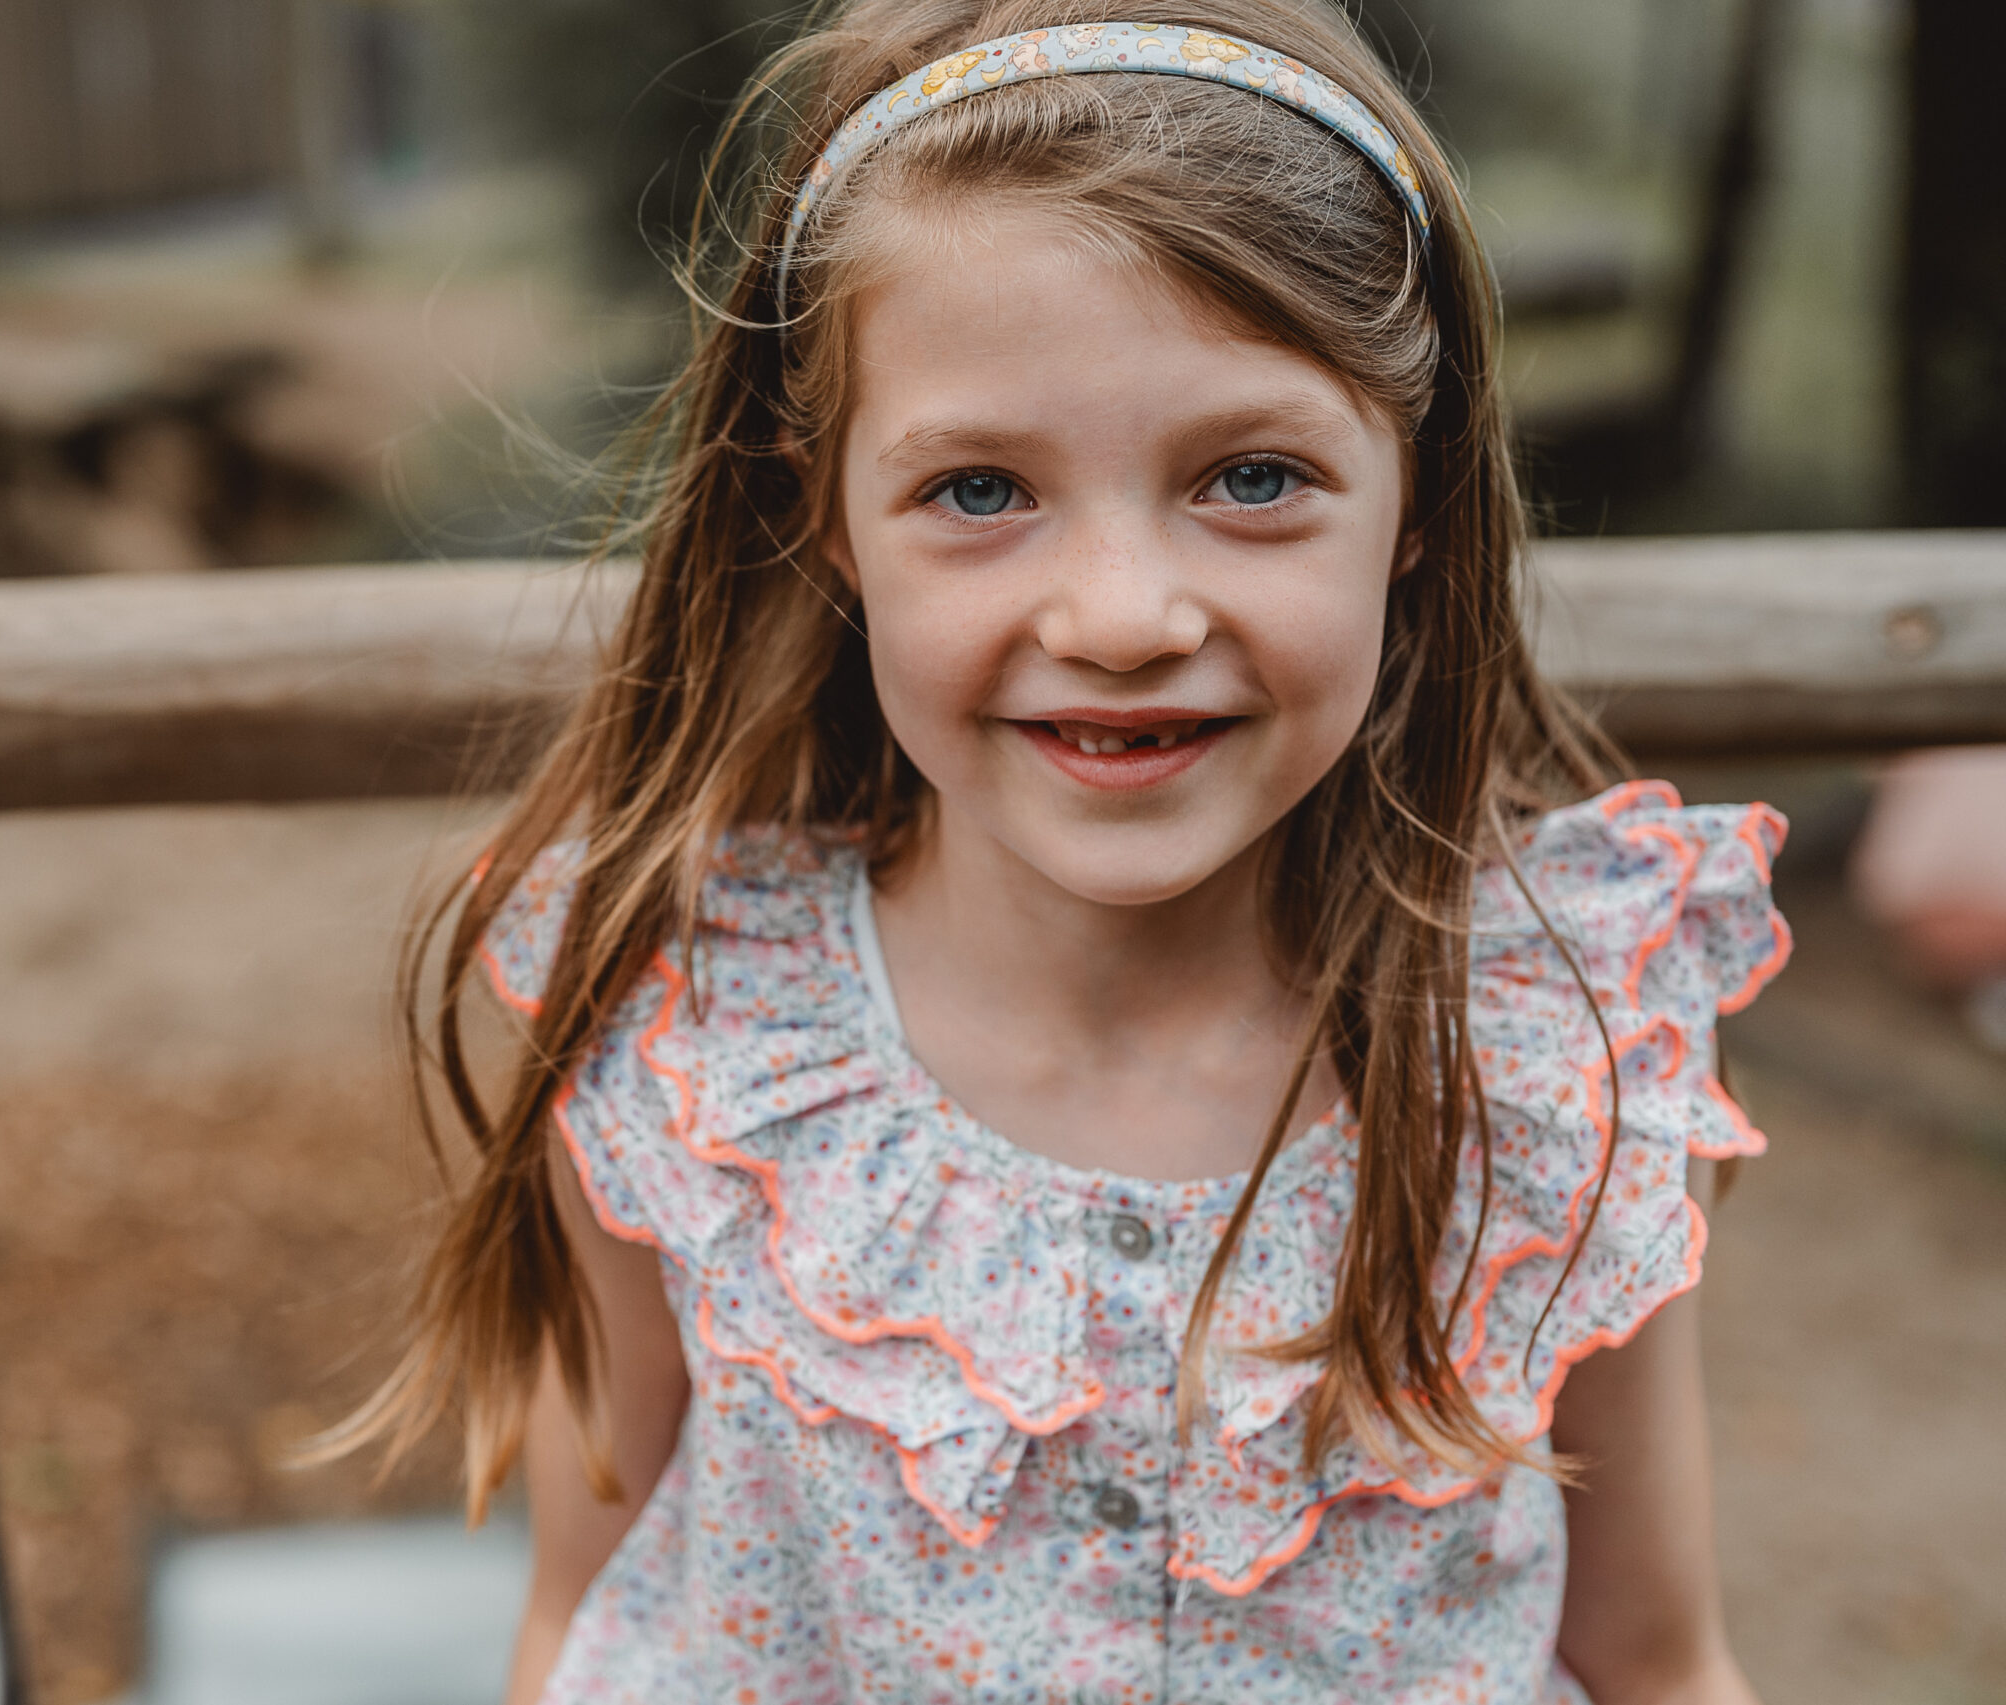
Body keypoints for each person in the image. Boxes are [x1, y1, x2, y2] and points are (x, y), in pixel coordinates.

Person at [325, 2, 1793, 1698]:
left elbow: (1657, 1658)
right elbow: (584, 1625)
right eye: (977, 490)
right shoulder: (690, 1044)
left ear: (1419, 502)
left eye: (1250, 476)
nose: (1119, 617)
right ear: (827, 514)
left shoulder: (1559, 1068)